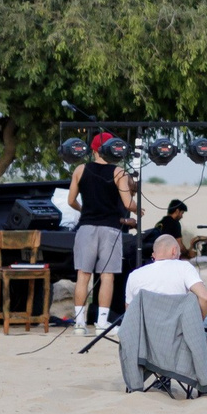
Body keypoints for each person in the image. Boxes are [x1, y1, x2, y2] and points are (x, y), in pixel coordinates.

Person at [65, 137, 137, 331]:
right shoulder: (119, 172)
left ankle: (79, 323)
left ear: (94, 150)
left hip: (86, 227)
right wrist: (139, 210)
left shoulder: (80, 169)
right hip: (110, 229)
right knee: (107, 276)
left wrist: (83, 209)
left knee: (83, 275)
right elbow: (128, 203)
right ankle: (102, 322)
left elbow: (70, 200)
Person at [123, 231, 207, 318]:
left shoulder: (134, 275)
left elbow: (129, 313)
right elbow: (204, 297)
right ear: (174, 251)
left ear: (154, 255)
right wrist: (198, 322)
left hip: (147, 330)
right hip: (178, 330)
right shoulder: (184, 267)